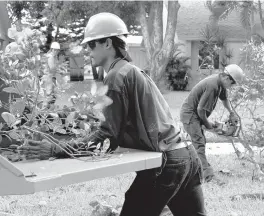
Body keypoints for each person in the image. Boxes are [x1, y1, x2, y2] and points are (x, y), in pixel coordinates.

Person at [20, 12, 206, 216]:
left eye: (91, 45)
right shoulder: (131, 71)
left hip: (167, 162)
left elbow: (107, 136)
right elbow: (113, 125)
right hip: (186, 155)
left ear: (107, 43)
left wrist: (56, 149)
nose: (88, 50)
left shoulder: (116, 77)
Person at [180, 64, 244, 184]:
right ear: (227, 78)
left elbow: (224, 99)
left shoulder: (220, 84)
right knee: (199, 143)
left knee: (200, 142)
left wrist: (232, 113)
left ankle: (191, 170)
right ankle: (208, 177)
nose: (232, 86)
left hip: (195, 115)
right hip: (190, 115)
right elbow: (200, 110)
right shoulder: (213, 85)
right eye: (233, 83)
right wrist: (208, 124)